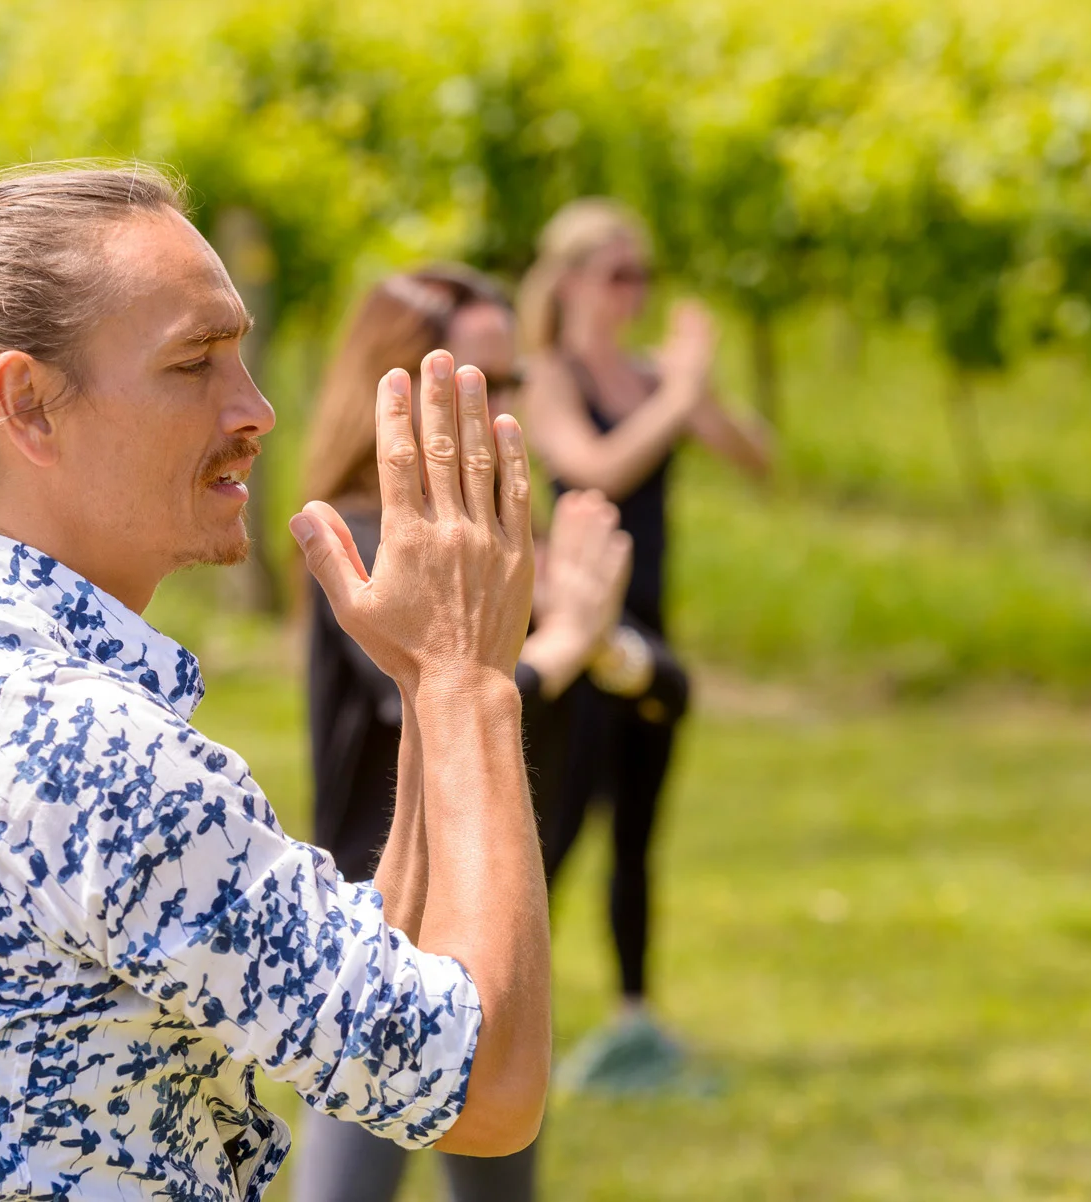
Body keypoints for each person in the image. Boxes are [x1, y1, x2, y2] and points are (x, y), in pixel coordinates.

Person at [0, 165, 551, 1202]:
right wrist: (472, 681)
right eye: (195, 361)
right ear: (29, 405)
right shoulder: (86, 748)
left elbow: (370, 1010)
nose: (257, 410)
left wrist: (427, 682)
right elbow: (486, 1091)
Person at [292, 266, 688, 1202]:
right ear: (403, 389)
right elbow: (424, 697)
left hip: (496, 922)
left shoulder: (500, 547)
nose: (507, 405)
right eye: (481, 382)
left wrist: (603, 645)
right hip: (387, 932)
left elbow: (667, 688)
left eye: (514, 379)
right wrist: (566, 644)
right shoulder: (360, 536)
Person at [516, 198, 773, 1091]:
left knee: (637, 832)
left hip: (651, 635)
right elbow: (595, 467)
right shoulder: (546, 376)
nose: (634, 292)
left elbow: (757, 456)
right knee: (555, 831)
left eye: (644, 276)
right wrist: (677, 398)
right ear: (571, 280)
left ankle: (633, 1017)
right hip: (579, 629)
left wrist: (695, 393)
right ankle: (503, 1010)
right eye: (618, 274)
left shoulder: (656, 380)